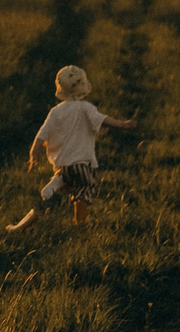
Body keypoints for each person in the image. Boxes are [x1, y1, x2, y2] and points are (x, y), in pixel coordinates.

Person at [7, 64, 134, 229]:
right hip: (82, 164)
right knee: (83, 189)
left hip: (63, 165)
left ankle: (56, 184)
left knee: (67, 183)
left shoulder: (55, 112)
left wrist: (34, 155)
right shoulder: (85, 108)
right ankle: (81, 222)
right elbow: (103, 120)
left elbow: (41, 135)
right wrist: (123, 124)